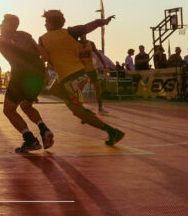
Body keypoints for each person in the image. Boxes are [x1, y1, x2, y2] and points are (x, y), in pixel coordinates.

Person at [39, 10, 124, 146]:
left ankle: (112, 131)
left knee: (77, 112)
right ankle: (84, 110)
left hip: (69, 78)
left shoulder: (42, 39)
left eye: (46, 22)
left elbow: (44, 57)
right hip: (80, 74)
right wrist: (105, 21)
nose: (45, 24)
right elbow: (94, 23)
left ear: (51, 23)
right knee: (53, 90)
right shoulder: (71, 31)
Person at [0, 14, 54, 152]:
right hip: (38, 75)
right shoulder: (25, 35)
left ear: (8, 25)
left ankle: (30, 140)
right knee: (26, 106)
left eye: (2, 22)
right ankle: (44, 130)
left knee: (9, 110)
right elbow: (45, 55)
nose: (0, 24)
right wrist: (36, 67)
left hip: (20, 76)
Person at [78, 35, 107, 113]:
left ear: (85, 34)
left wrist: (104, 64)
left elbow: (98, 54)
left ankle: (100, 107)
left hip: (91, 69)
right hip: (82, 70)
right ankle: (79, 106)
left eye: (83, 34)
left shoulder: (91, 43)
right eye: (80, 35)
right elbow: (73, 55)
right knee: (80, 88)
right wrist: (80, 60)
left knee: (97, 87)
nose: (82, 36)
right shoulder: (76, 44)